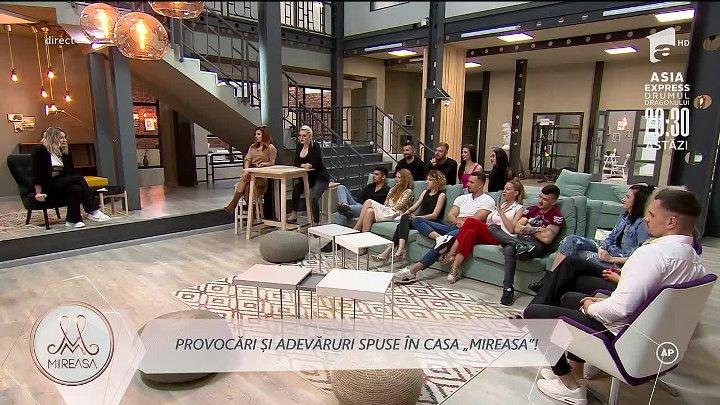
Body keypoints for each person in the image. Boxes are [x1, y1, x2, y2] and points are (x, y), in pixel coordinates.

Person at [525, 188, 708, 405]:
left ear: (671, 222)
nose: (647, 219)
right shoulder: (696, 263)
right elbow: (651, 301)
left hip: (621, 341)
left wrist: (590, 306)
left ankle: (569, 386)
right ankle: (575, 369)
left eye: (652, 215)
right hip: (654, 342)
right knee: (569, 298)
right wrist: (603, 301)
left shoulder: (652, 254)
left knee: (533, 314)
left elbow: (619, 311)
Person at [528, 183, 654, 293]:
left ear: (638, 201)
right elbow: (610, 238)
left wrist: (611, 259)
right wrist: (603, 247)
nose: (623, 199)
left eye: (627, 197)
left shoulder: (642, 224)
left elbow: (638, 257)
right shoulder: (624, 217)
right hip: (609, 249)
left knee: (577, 255)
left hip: (618, 260)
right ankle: (547, 280)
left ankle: (549, 285)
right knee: (571, 240)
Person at [392, 171, 495, 284]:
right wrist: (459, 221)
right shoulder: (462, 198)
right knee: (416, 220)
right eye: (468, 181)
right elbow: (450, 216)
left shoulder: (488, 201)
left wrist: (459, 219)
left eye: (471, 182)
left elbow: (476, 220)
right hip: (451, 226)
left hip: (463, 230)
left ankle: (413, 271)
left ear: (480, 185)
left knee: (446, 240)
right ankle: (439, 238)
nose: (467, 184)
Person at [488, 185, 564, 306]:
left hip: (535, 246)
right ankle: (518, 245)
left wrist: (529, 227)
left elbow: (547, 239)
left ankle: (508, 289)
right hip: (519, 240)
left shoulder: (556, 216)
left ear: (553, 202)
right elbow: (516, 229)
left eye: (545, 199)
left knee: (509, 248)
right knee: (492, 228)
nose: (540, 201)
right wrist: (538, 229)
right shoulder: (531, 210)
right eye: (540, 197)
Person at [439, 179, 525, 283]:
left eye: (508, 189)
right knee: (470, 233)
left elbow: (512, 229)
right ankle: (454, 270)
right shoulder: (502, 205)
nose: (504, 191)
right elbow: (489, 221)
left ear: (516, 193)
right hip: (490, 232)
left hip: (501, 236)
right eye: (504, 189)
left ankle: (451, 253)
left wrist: (501, 213)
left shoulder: (519, 208)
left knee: (470, 221)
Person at [31, 127, 110, 228]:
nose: (64, 140)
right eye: (61, 138)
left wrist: (71, 182)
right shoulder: (40, 150)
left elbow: (70, 172)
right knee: (79, 178)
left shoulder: (64, 151)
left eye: (65, 137)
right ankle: (93, 210)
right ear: (52, 138)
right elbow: (36, 173)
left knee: (76, 188)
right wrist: (38, 193)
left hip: (61, 182)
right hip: (48, 184)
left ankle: (72, 220)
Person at [372, 170, 447, 262]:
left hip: (429, 221)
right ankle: (393, 250)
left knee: (403, 222)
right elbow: (415, 207)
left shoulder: (441, 195)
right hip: (418, 219)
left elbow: (434, 215)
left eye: (430, 180)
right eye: (427, 179)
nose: (427, 182)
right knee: (403, 220)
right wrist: (408, 212)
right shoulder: (425, 192)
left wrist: (417, 218)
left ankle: (391, 251)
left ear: (437, 182)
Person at [319, 167, 390, 253]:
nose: (373, 176)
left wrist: (365, 204)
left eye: (376, 174)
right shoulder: (370, 186)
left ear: (383, 177)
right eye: (373, 174)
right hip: (359, 205)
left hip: (369, 209)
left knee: (340, 214)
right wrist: (357, 203)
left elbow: (382, 207)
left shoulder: (387, 190)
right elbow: (359, 198)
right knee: (341, 187)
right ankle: (345, 205)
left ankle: (335, 241)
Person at [224, 126, 277, 212]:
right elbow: (247, 159)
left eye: (258, 134)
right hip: (251, 174)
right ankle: (252, 212)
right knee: (247, 186)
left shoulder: (270, 148)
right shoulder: (252, 147)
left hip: (261, 177)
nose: (256, 136)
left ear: (264, 135)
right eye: (255, 134)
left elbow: (272, 162)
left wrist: (264, 164)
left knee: (245, 181)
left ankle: (234, 203)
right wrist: (246, 169)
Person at [288, 125, 330, 226]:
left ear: (309, 137)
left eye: (304, 136)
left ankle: (316, 221)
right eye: (300, 136)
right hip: (308, 178)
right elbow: (296, 161)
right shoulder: (299, 146)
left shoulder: (315, 146)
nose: (301, 138)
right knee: (296, 189)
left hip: (320, 177)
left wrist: (310, 164)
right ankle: (294, 214)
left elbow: (316, 161)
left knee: (314, 197)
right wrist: (303, 165)